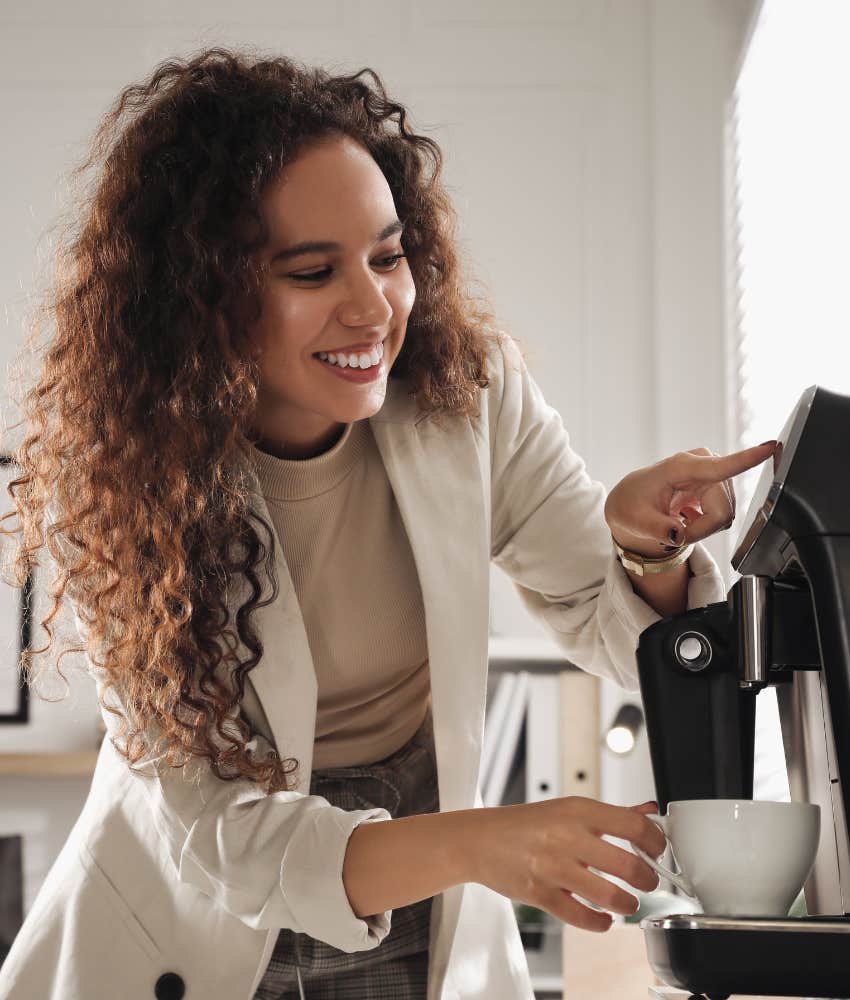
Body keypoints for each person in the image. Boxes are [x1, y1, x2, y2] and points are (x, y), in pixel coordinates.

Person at [0, 47, 776, 1000]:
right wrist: (486, 841)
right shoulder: (122, 480)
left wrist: (644, 546)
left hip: (431, 904)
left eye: (388, 255)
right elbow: (219, 835)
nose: (373, 307)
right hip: (194, 931)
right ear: (200, 297)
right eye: (312, 270)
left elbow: (606, 618)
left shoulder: (471, 392)